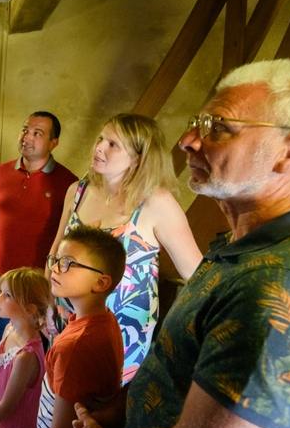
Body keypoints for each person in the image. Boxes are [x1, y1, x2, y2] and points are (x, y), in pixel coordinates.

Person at [71, 59, 290, 428]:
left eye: (219, 127)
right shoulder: (247, 241)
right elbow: (178, 360)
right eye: (198, 122)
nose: (187, 140)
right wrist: (117, 413)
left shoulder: (287, 284)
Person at [48, 113, 202, 383]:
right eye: (100, 139)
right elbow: (55, 253)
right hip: (67, 319)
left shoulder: (156, 203)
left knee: (103, 402)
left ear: (138, 158)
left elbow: (198, 275)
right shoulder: (78, 191)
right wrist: (47, 301)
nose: (98, 147)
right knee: (61, 394)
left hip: (121, 333)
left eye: (112, 144)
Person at [0, 111, 78, 428]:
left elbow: (68, 240)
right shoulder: (0, 173)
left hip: (39, 291)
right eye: (26, 129)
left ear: (54, 142)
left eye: (38, 132)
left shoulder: (68, 184)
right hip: (0, 280)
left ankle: (27, 422)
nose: (27, 136)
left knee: (36, 361)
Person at [38, 226, 126, 428]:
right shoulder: (105, 319)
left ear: (100, 282)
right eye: (56, 260)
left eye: (67, 262)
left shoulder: (75, 347)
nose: (55, 268)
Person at [0, 267, 52, 428]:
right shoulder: (9, 328)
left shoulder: (26, 356)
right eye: (1, 292)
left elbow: (7, 406)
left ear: (29, 308)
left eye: (7, 295)